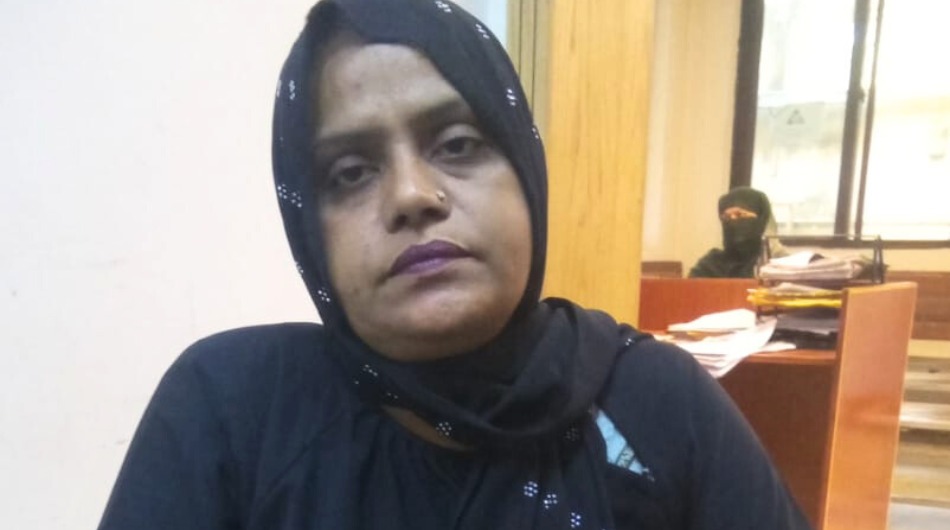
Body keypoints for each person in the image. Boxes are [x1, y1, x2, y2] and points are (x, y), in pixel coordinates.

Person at [98, 1, 811, 528]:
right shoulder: (234, 414)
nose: (412, 195)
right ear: (308, 225)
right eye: (350, 172)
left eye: (459, 144)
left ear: (524, 168)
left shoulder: (656, 405)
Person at [689, 186, 781, 278]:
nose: (732, 222)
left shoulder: (779, 263)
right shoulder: (710, 265)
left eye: (739, 214)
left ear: (761, 219)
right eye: (726, 217)